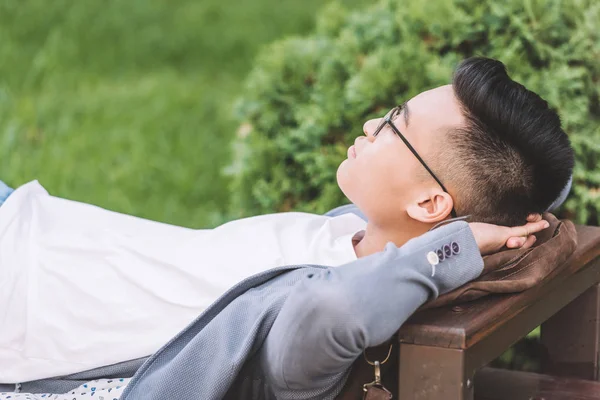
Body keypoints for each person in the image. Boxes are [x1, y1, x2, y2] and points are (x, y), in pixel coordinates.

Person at [0, 57, 573, 399]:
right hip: (32, 228)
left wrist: (454, 248)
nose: (373, 123)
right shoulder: (357, 236)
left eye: (396, 125)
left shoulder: (329, 301)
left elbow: (335, 314)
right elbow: (535, 189)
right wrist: (500, 217)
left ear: (429, 204)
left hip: (20, 303)